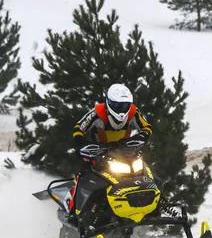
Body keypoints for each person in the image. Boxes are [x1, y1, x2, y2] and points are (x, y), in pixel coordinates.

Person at [65, 84, 153, 216]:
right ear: (109, 103)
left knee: (146, 171)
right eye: (117, 106)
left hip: (124, 152)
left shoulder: (134, 113)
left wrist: (142, 136)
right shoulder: (96, 114)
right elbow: (79, 127)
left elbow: (146, 126)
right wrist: (80, 143)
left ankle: (157, 204)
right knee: (83, 174)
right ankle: (74, 210)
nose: (121, 110)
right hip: (97, 152)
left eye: (124, 106)